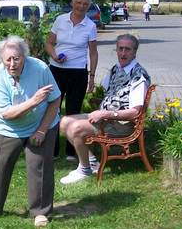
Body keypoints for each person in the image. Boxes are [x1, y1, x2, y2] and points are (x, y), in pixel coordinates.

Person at [0, 35, 61, 227]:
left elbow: (55, 99)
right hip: (7, 126)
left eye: (17, 58)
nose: (12, 64)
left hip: (41, 122)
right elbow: (7, 114)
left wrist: (41, 130)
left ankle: (40, 212)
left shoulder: (40, 69)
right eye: (8, 59)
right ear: (2, 60)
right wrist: (34, 100)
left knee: (39, 164)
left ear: (25, 57)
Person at [59, 34, 150, 185]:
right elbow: (109, 92)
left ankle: (84, 169)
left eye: (127, 49)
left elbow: (136, 112)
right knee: (65, 121)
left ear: (134, 52)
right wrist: (102, 110)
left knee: (75, 128)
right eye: (120, 49)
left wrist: (105, 113)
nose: (123, 53)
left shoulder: (138, 76)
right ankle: (92, 162)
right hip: (105, 118)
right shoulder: (117, 69)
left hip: (121, 123)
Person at [45, 0, 98, 162]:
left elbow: (93, 53)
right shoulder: (60, 20)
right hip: (56, 70)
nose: (81, 7)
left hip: (78, 72)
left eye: (85, 4)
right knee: (53, 109)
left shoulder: (90, 26)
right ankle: (52, 150)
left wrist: (91, 76)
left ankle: (71, 151)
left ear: (88, 6)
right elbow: (49, 43)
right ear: (72, 2)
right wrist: (54, 56)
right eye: (78, 3)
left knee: (73, 111)